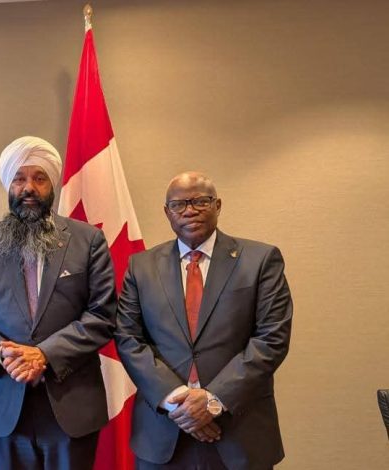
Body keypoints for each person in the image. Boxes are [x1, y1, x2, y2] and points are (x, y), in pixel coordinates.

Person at [0, 136, 116, 470]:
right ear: (8, 185)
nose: (29, 188)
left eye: (39, 178)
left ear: (52, 185)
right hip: (4, 403)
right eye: (19, 179)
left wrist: (45, 355)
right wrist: (0, 351)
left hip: (71, 403)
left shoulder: (88, 240)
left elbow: (103, 314)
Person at [115, 171, 293, 469]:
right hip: (163, 432)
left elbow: (271, 338)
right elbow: (128, 338)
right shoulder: (141, 266)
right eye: (178, 204)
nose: (189, 210)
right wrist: (178, 400)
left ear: (218, 205)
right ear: (167, 212)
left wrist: (213, 400)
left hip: (239, 431)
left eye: (200, 201)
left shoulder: (260, 260)